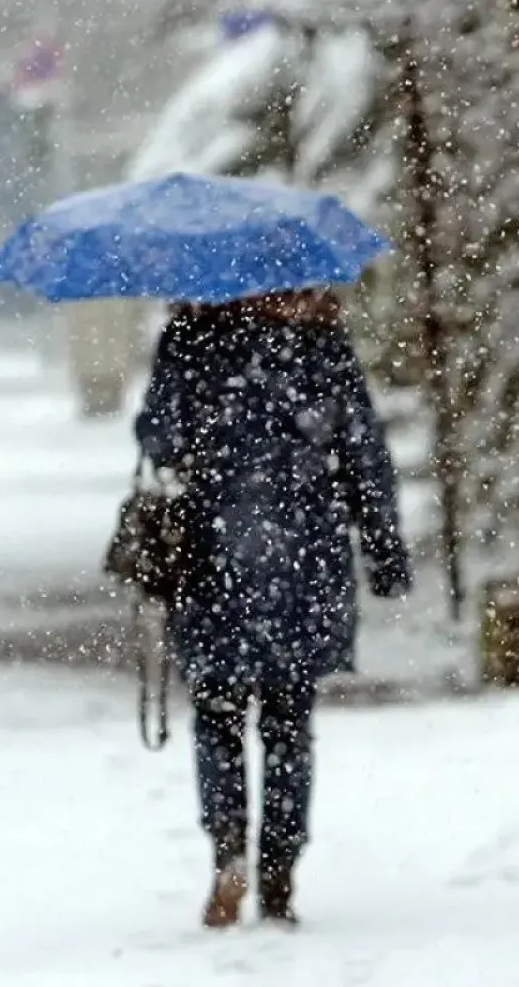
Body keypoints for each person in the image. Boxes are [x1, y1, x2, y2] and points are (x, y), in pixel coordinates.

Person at [133, 289, 411, 929]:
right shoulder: (320, 341)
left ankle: (228, 847)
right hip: (304, 556)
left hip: (215, 553)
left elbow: (160, 437)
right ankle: (280, 865)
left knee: (218, 715)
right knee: (289, 721)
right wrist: (383, 549)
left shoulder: (192, 338)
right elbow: (365, 455)